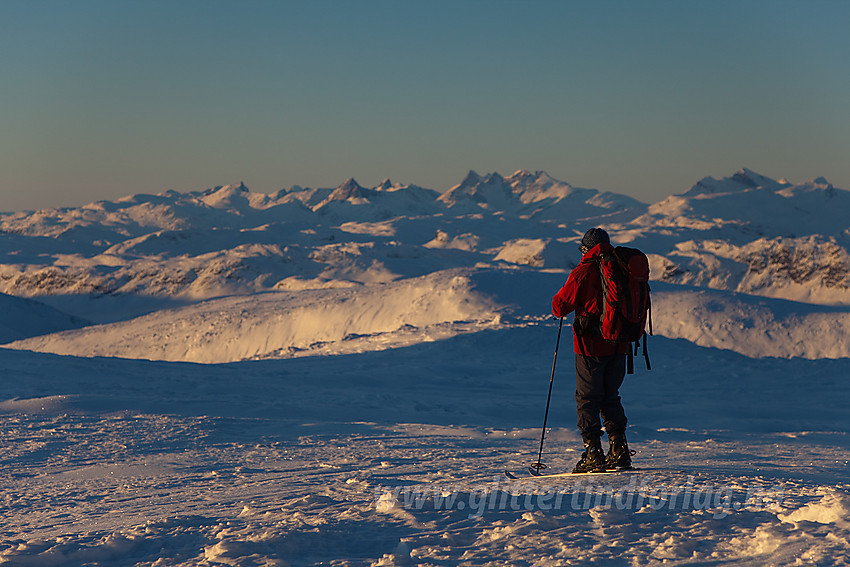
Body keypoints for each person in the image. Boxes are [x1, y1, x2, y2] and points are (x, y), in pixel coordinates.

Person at [552, 228, 633, 473]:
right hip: (620, 343)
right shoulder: (622, 267)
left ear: (587, 249)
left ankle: (593, 452)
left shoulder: (583, 271)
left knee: (587, 398)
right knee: (610, 396)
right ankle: (619, 450)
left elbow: (559, 306)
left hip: (590, 346)